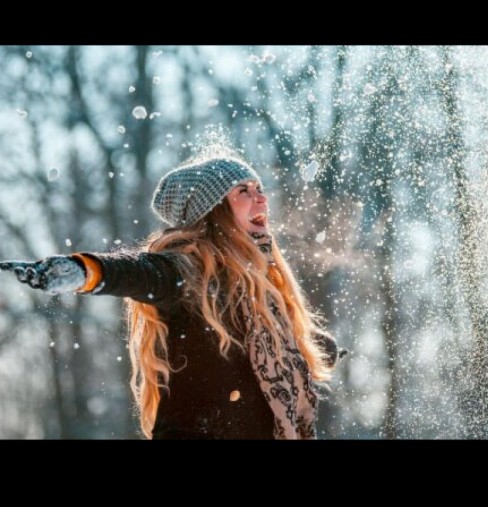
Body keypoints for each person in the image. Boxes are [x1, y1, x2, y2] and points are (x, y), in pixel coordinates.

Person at [0, 154, 344, 440]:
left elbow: (266, 349)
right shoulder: (188, 272)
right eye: (243, 190)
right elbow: (138, 271)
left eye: (259, 188)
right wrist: (84, 271)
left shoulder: (262, 289)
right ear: (214, 209)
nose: (261, 198)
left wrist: (314, 347)